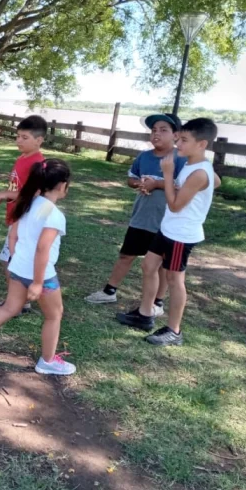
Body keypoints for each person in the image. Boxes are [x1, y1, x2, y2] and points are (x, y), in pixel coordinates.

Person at [0, 159, 75, 375]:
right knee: (54, 315)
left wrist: (16, 259)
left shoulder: (29, 204)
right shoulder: (54, 215)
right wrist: (39, 282)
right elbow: (43, 249)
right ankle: (48, 361)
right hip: (41, 275)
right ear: (62, 186)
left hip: (18, 269)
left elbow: (13, 235)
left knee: (10, 308)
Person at [117, 118, 218, 346]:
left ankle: (174, 331)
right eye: (178, 138)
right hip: (168, 228)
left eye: (183, 140)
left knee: (174, 279)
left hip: (182, 233)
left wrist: (169, 174)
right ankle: (144, 315)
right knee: (148, 265)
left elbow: (174, 205)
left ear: (201, 144)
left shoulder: (199, 173)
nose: (177, 143)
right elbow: (216, 180)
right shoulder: (194, 163)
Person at [85, 114, 185, 314]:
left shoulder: (181, 159)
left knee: (161, 265)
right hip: (141, 218)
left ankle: (157, 302)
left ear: (176, 135)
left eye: (163, 130)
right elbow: (131, 179)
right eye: (154, 130)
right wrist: (140, 183)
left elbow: (184, 187)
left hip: (166, 222)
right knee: (126, 255)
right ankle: (109, 291)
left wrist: (156, 183)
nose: (156, 133)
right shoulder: (144, 157)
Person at [0, 115, 47, 313]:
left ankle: (18, 302)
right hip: (16, 216)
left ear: (38, 141)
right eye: (18, 137)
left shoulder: (37, 163)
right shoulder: (22, 158)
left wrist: (6, 194)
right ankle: (20, 300)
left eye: (25, 137)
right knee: (10, 259)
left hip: (24, 219)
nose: (19, 141)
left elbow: (35, 193)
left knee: (11, 260)